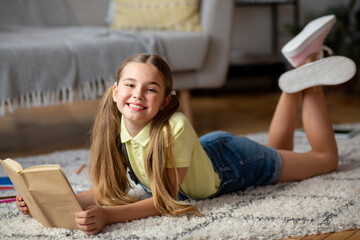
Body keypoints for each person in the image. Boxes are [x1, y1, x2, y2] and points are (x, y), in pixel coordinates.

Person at [16, 15, 356, 235]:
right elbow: (108, 192)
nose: (138, 95)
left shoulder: (174, 126)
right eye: (130, 85)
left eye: (151, 89)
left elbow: (167, 201)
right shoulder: (115, 127)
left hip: (235, 164)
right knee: (280, 152)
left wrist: (108, 217)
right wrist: (51, 200)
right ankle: (298, 67)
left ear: (164, 100)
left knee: (324, 159)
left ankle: (309, 78)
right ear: (115, 92)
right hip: (215, 153)